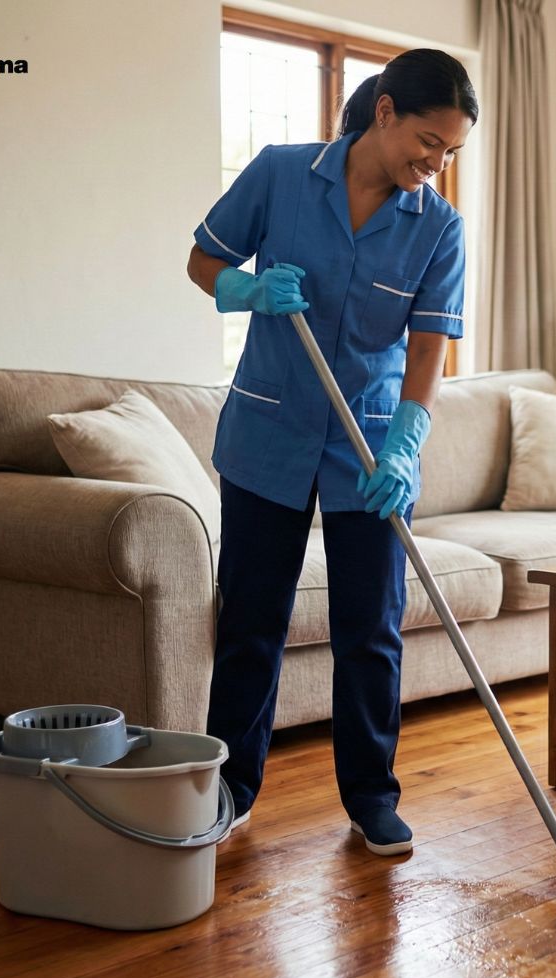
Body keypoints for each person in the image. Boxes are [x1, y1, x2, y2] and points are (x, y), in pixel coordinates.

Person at [186, 49, 476, 856]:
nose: (435, 162)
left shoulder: (439, 229)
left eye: (450, 151)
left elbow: (426, 356)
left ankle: (372, 798)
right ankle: (228, 790)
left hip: (369, 449)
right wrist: (242, 289)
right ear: (384, 113)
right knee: (251, 623)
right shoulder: (280, 176)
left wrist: (407, 447)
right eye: (428, 140)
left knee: (371, 629)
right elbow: (202, 259)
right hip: (267, 437)